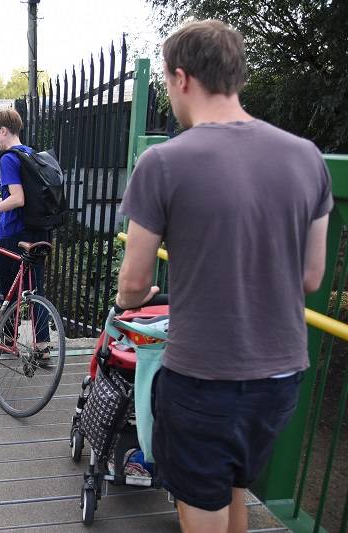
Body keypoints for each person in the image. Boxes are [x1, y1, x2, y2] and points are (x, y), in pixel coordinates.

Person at [115, 19, 331, 533]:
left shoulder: (163, 162)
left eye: (167, 82)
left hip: (202, 379)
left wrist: (140, 294)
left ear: (182, 78)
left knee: (200, 509)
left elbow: (131, 285)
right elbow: (311, 277)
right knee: (236, 489)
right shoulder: (307, 158)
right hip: (279, 377)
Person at [0, 109, 51, 352]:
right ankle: (43, 345)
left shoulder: (8, 158)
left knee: (9, 292)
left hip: (14, 234)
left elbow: (18, 199)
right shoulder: (31, 154)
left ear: (3, 130)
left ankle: (7, 340)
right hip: (38, 232)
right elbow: (23, 197)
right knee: (36, 290)